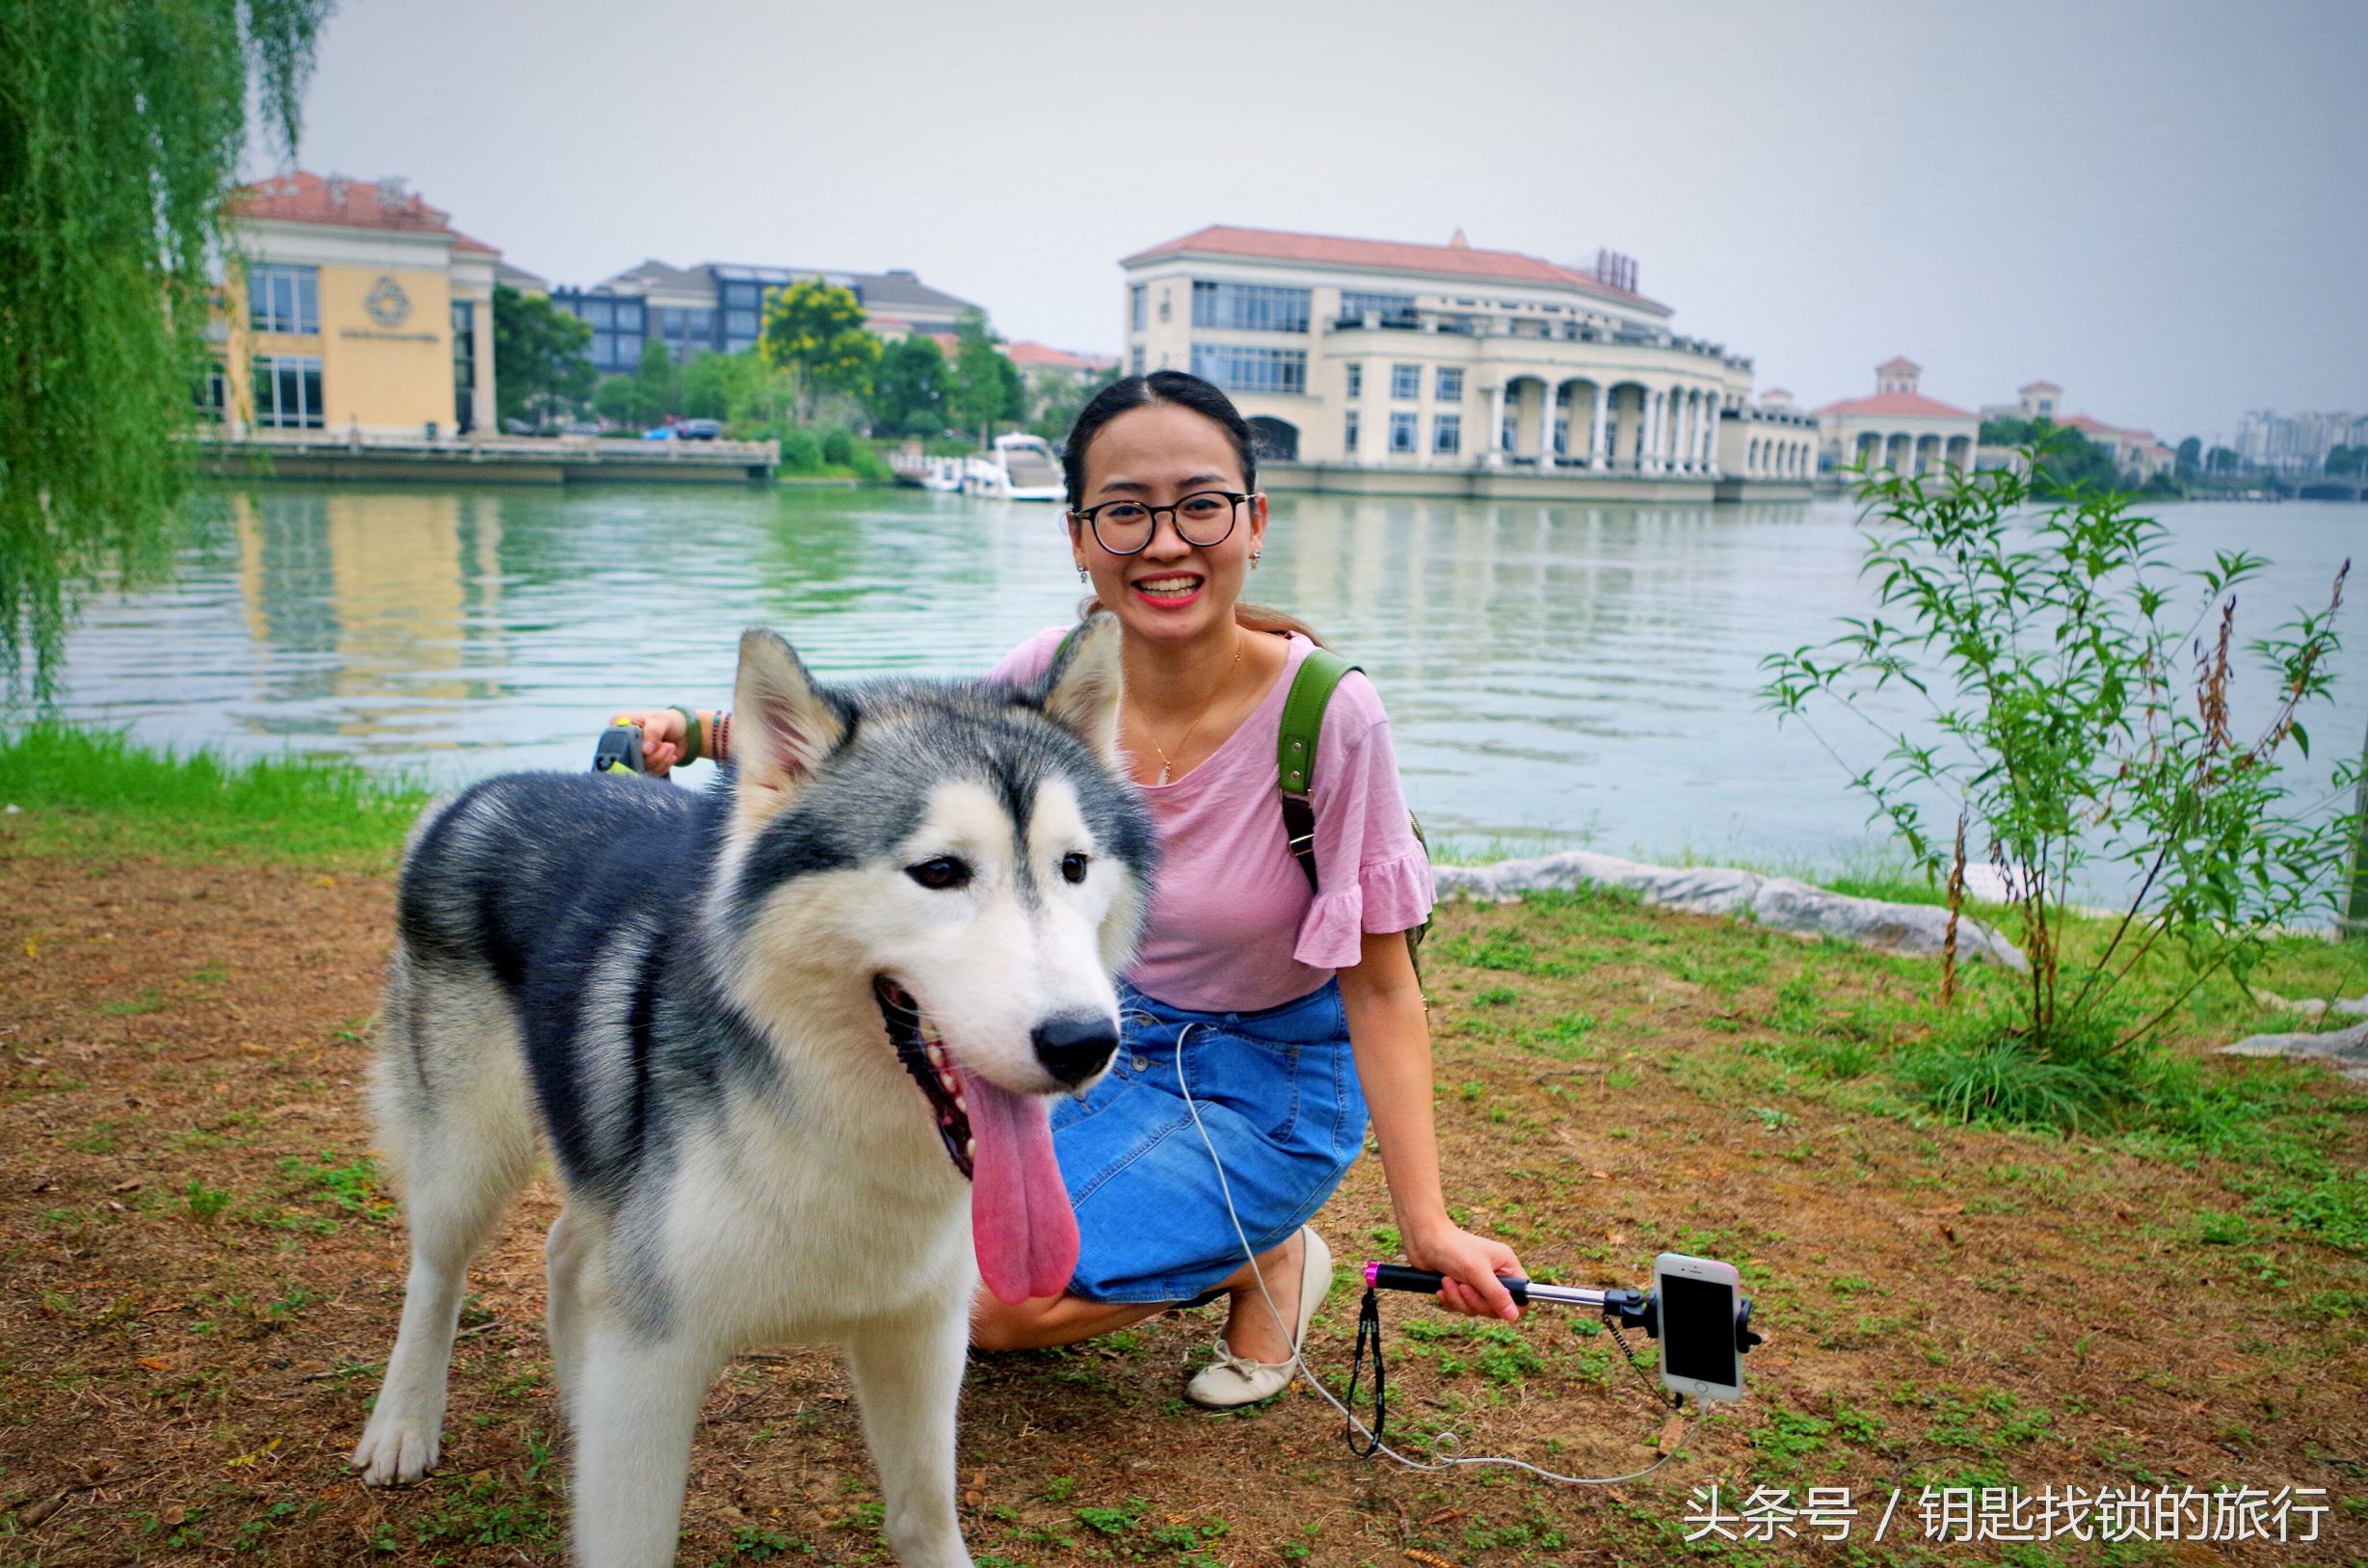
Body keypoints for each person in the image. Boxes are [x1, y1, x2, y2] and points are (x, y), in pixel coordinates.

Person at [620, 370, 1522, 1407]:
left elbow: (1381, 987)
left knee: (987, 1301)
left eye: (1200, 504)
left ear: (1254, 521)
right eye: (1125, 512)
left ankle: (1263, 1254)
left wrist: (1428, 1222)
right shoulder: (1050, 675)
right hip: (1100, 1028)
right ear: (1080, 538)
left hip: (1266, 1079)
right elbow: (895, 759)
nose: (1165, 541)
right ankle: (1222, 1239)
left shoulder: (1331, 715)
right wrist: (698, 734)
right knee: (914, 1233)